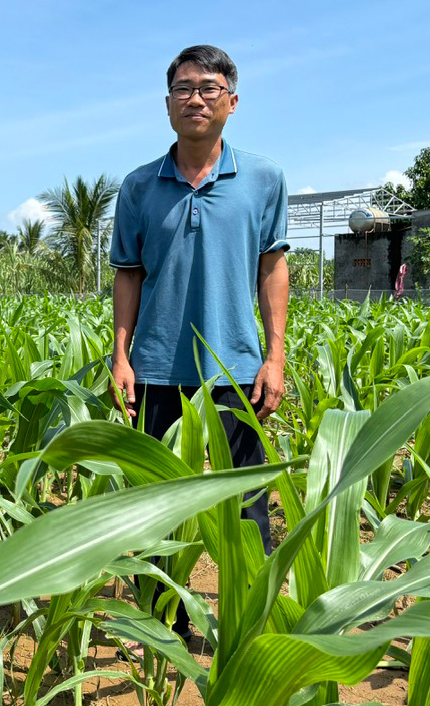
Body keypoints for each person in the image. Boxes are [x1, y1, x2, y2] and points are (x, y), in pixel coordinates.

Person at [109, 44, 289, 639]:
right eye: (184, 88)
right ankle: (164, 625)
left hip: (234, 366)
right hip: (157, 368)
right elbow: (128, 271)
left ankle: (248, 622)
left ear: (231, 102)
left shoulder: (263, 178)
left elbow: (271, 267)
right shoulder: (138, 186)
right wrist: (121, 356)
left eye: (209, 88)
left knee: (247, 502)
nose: (196, 98)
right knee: (157, 504)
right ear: (167, 105)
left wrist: (274, 357)